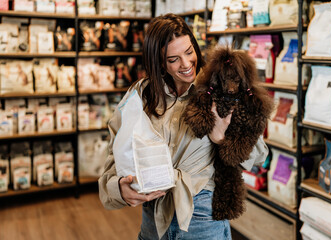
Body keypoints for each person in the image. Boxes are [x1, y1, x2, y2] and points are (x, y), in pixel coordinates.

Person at [98, 13, 268, 240]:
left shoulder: (218, 87)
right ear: (159, 61)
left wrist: (220, 139)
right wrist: (119, 187)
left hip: (203, 220)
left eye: (189, 52)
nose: (187, 64)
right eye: (173, 59)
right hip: (154, 221)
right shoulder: (141, 95)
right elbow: (116, 153)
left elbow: (258, 155)